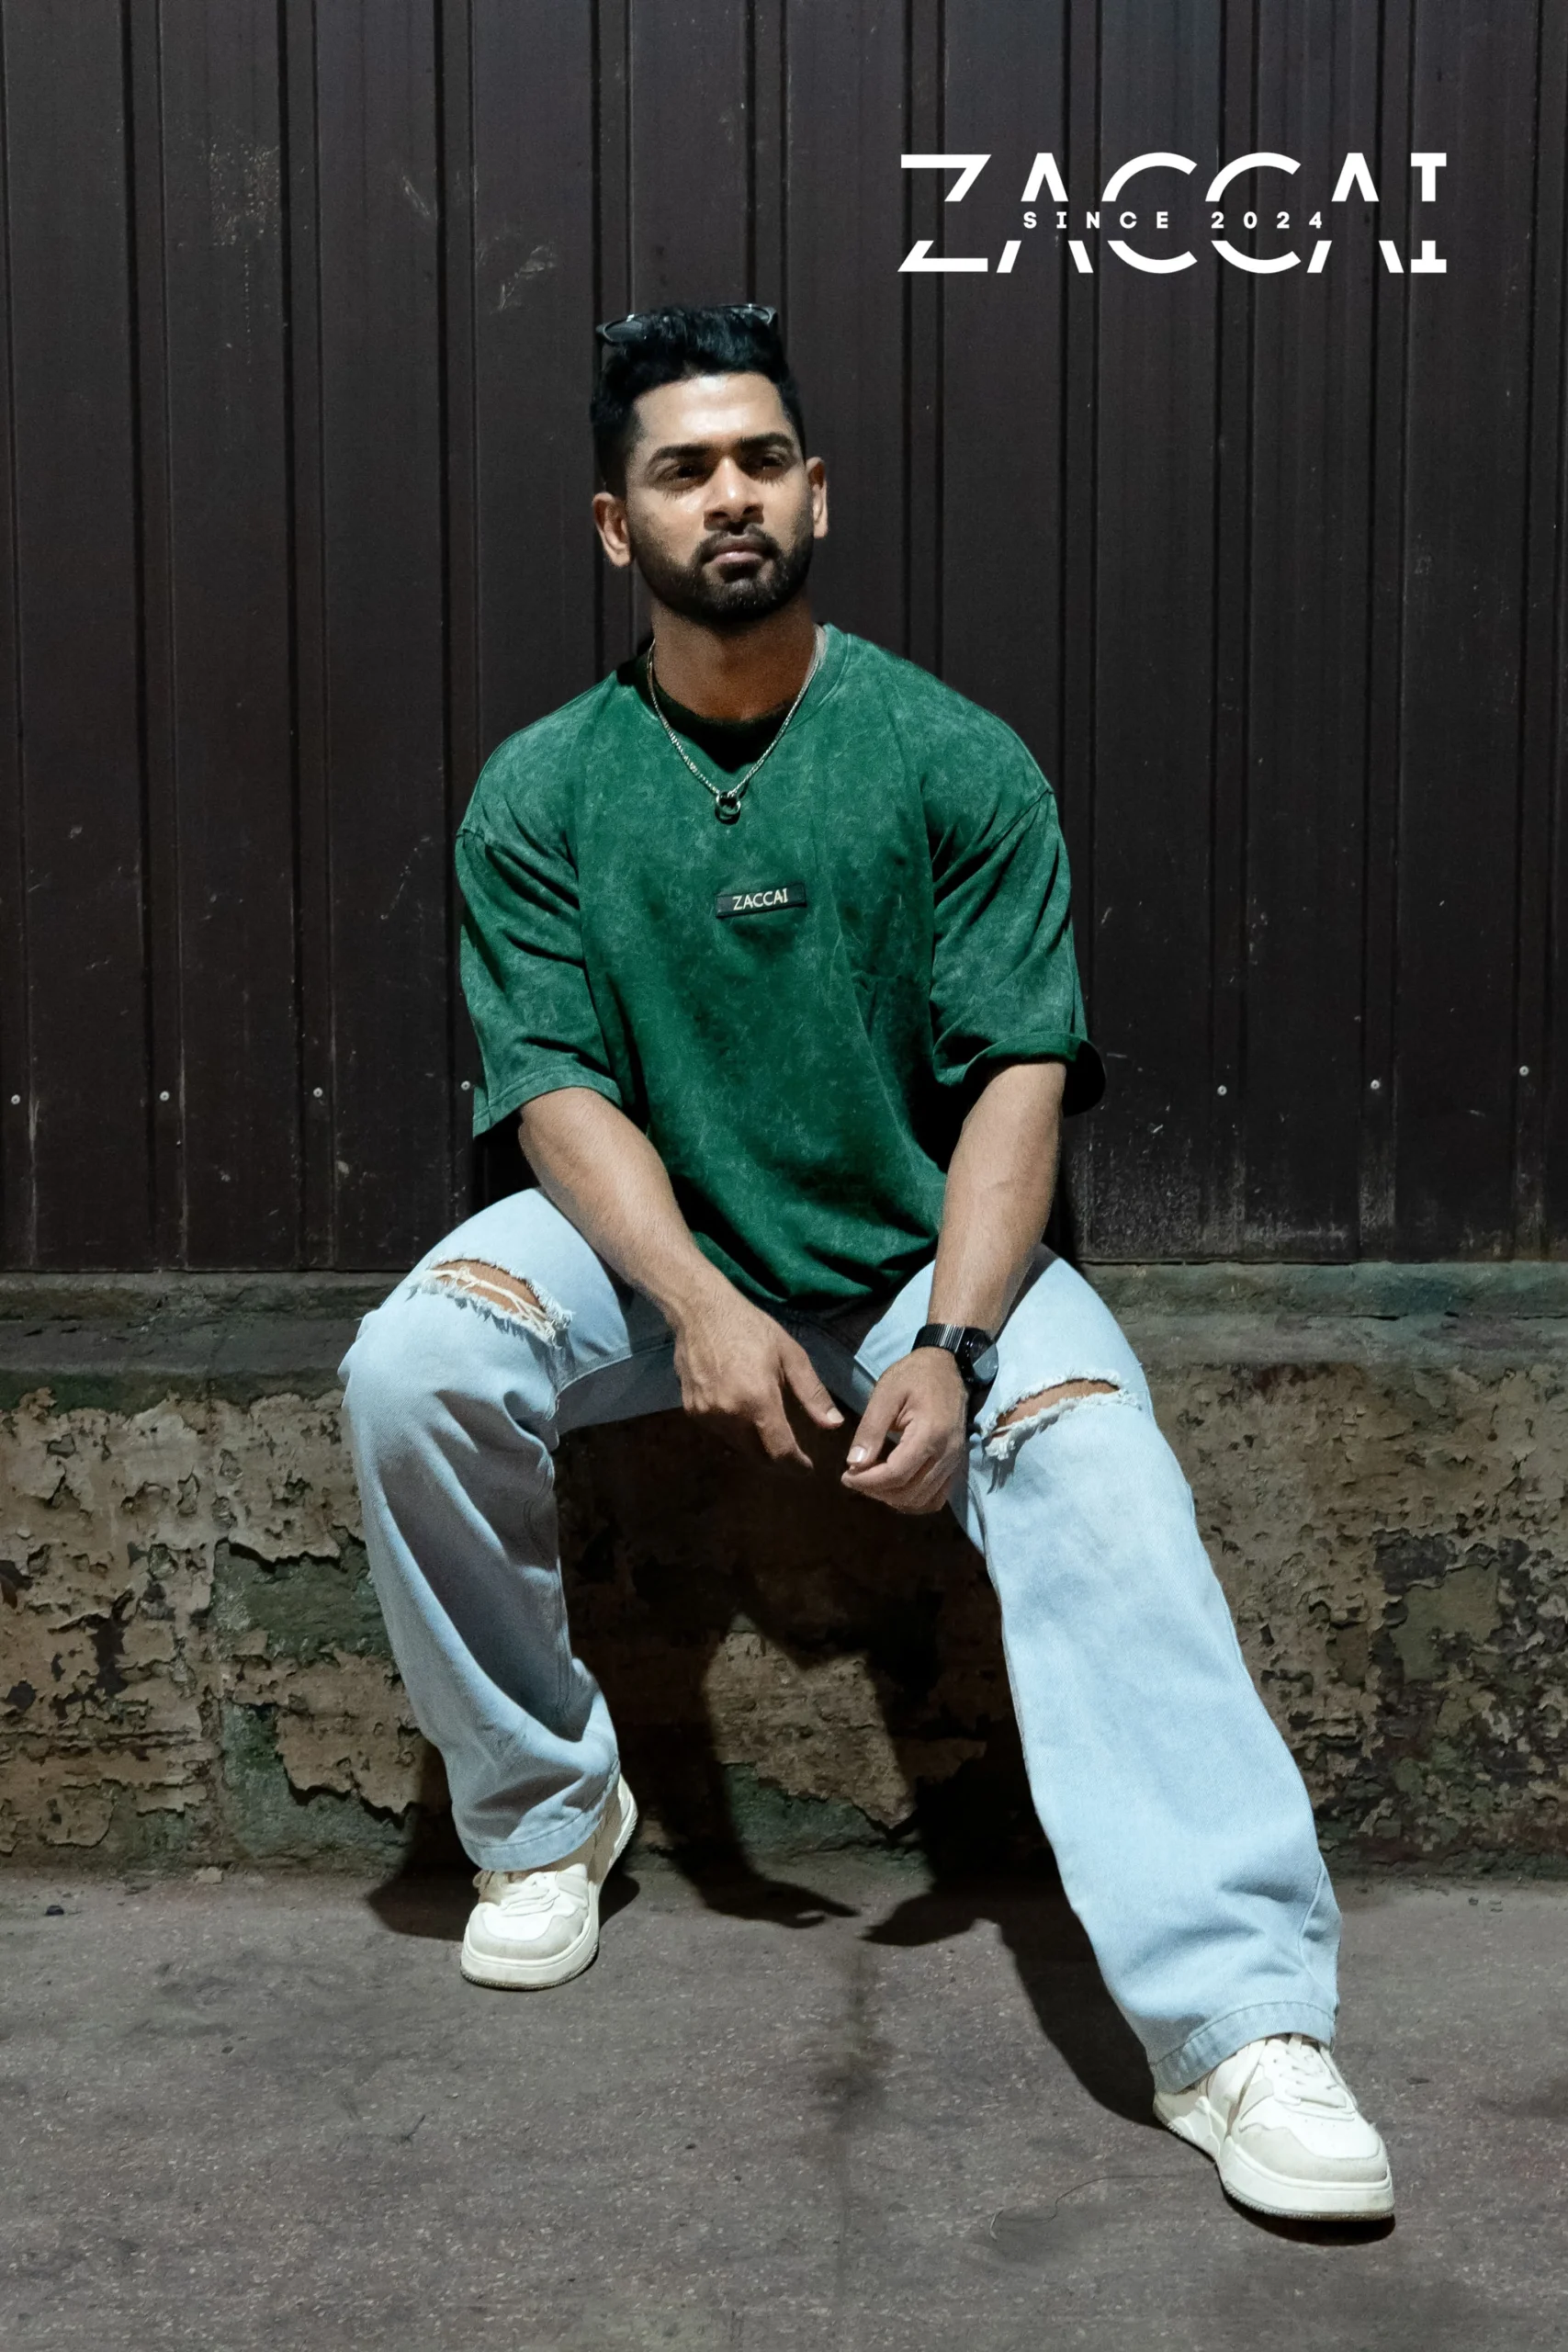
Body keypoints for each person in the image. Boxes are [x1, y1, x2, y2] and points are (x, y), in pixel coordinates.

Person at [339, 303, 1393, 2224]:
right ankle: (543, 1814)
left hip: (923, 1252)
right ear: (617, 525)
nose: (729, 495)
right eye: (683, 470)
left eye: (761, 459)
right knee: (412, 1368)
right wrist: (699, 1303)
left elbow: (1018, 1078)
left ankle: (1240, 2021)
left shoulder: (947, 757)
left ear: (815, 491)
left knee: (1092, 1462)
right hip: (651, 1251)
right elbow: (555, 1094)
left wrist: (964, 1343)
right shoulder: (545, 788)